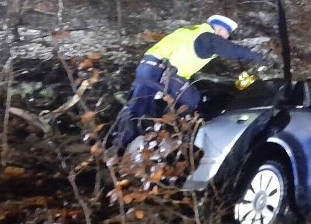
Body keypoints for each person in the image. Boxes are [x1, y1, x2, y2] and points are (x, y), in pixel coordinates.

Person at [109, 14, 263, 150]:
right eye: (226, 33)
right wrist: (256, 56)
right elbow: (231, 50)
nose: (226, 37)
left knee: (139, 109)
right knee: (192, 100)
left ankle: (121, 146)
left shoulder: (191, 32)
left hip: (146, 67)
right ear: (218, 29)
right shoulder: (207, 37)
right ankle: (181, 140)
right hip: (162, 71)